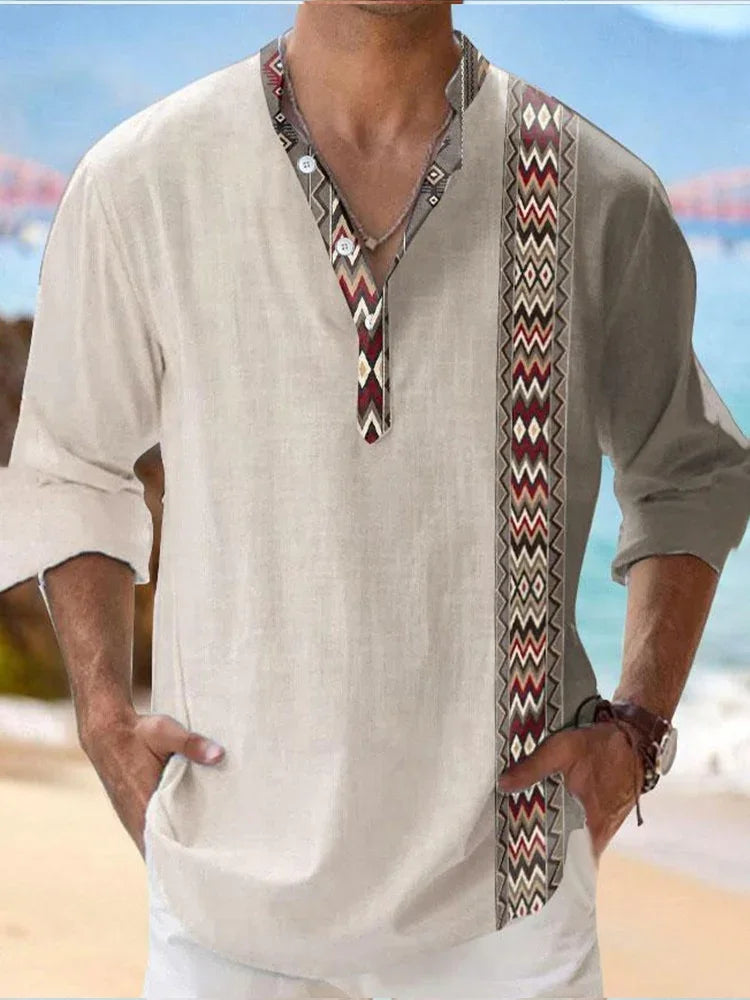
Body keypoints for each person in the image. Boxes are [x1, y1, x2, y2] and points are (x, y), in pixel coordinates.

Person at [2, 1, 749, 997]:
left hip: (509, 923)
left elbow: (689, 470)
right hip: (227, 911)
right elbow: (70, 461)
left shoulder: (600, 196)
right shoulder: (145, 180)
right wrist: (101, 713)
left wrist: (640, 729)